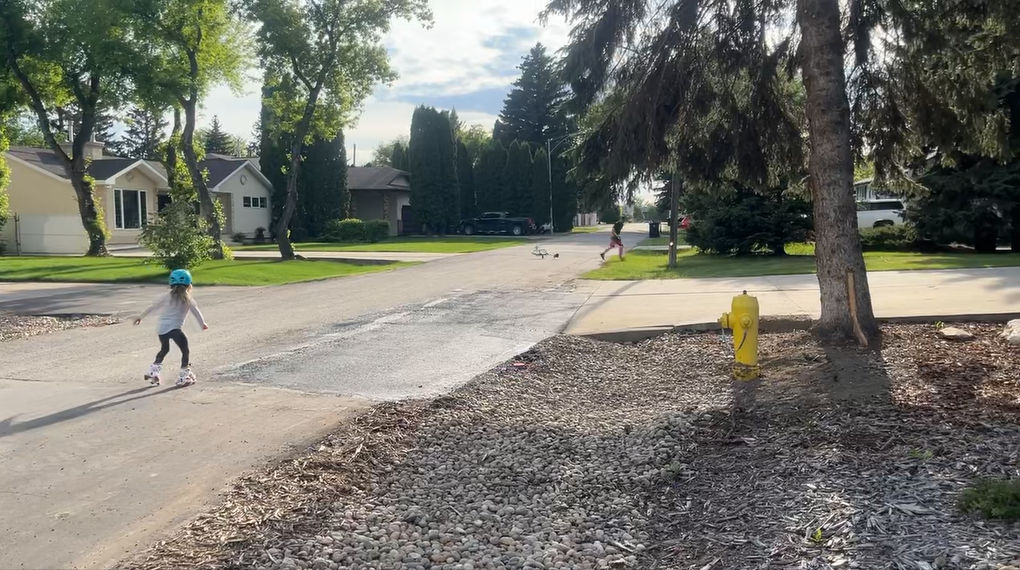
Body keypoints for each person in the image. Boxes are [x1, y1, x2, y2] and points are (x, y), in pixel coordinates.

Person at [134, 269, 209, 387]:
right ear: (189, 284)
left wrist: (141, 317)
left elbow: (153, 307)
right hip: (175, 329)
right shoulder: (188, 299)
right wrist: (203, 323)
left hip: (161, 329)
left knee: (164, 349)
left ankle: (153, 371)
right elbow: (196, 313)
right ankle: (184, 375)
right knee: (185, 350)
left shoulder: (165, 296)